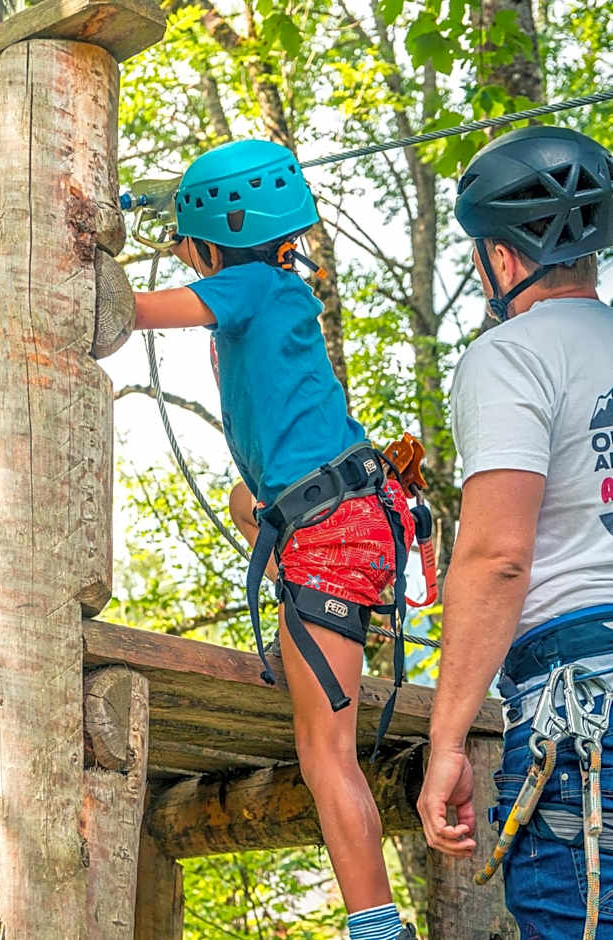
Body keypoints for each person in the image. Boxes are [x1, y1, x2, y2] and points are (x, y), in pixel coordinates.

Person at [133, 138, 417, 940]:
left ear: (210, 241)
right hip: (338, 516)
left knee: (322, 746)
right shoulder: (279, 289)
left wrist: (73, 241)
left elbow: (126, 312)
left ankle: (376, 928)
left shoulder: (250, 285)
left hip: (330, 525)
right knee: (240, 499)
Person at [417, 125, 613, 937]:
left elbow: (498, 558)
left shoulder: (511, 356)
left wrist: (448, 742)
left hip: (581, 701)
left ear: (500, 259)